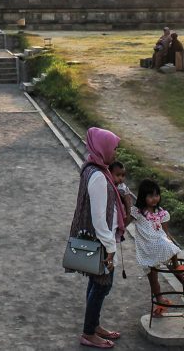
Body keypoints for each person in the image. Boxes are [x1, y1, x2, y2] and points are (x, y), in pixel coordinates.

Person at [69, 127, 123, 348]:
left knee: (96, 283)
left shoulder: (91, 167)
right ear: (104, 147)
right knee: (102, 286)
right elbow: (99, 218)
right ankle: (89, 333)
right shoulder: (99, 176)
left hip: (94, 238)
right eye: (114, 148)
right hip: (101, 241)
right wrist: (110, 247)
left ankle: (94, 325)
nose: (116, 153)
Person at [130, 179, 183, 317]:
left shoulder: (161, 213)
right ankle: (159, 300)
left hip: (159, 242)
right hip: (146, 247)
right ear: (143, 197)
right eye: (150, 196)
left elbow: (166, 232)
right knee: (153, 279)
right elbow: (124, 222)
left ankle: (176, 266)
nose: (154, 199)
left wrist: (171, 243)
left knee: (169, 244)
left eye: (156, 195)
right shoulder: (138, 212)